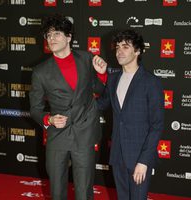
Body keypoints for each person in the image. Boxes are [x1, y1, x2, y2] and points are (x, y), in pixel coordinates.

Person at [29, 13, 107, 200]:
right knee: (57, 192)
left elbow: (97, 90)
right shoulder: (40, 72)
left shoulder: (87, 59)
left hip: (85, 134)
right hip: (58, 137)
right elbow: (35, 109)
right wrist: (49, 119)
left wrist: (102, 75)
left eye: (56, 34)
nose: (51, 39)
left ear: (69, 37)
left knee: (83, 192)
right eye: (48, 35)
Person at [97, 29, 164, 200]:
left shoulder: (151, 82)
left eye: (125, 47)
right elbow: (100, 105)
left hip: (139, 157)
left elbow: (157, 126)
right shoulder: (113, 79)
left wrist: (144, 161)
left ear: (138, 51)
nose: (119, 51)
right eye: (117, 47)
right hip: (118, 155)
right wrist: (99, 76)